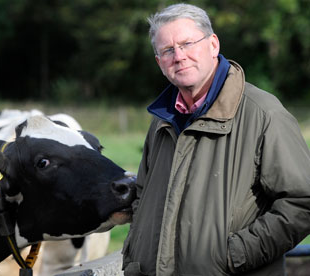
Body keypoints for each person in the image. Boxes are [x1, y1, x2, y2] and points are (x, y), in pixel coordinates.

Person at [122, 3, 310, 276]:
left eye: (187, 44)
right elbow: (142, 197)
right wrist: (134, 256)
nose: (179, 56)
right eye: (168, 50)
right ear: (159, 62)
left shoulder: (264, 114)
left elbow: (301, 201)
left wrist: (234, 256)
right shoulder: (161, 120)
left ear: (213, 45)